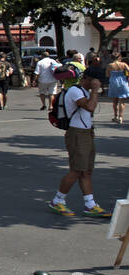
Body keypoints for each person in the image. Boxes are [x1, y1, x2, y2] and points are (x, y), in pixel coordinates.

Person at [50, 68, 108, 217]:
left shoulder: (85, 91)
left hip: (86, 133)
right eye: (98, 81)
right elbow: (89, 107)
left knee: (86, 170)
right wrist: (95, 90)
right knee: (76, 169)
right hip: (77, 134)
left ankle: (90, 204)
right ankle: (57, 201)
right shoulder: (75, 91)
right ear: (89, 79)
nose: (100, 84)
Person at [107, 53, 129, 124]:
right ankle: (120, 117)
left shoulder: (110, 65)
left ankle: (115, 116)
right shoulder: (124, 64)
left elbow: (107, 75)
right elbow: (128, 73)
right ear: (120, 57)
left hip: (113, 83)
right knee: (122, 101)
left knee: (115, 101)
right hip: (123, 82)